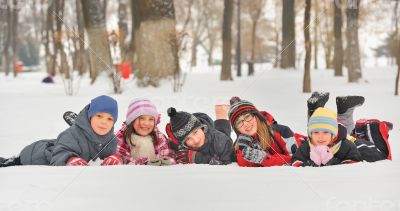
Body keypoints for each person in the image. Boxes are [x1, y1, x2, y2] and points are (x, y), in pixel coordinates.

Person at [0, 95, 121, 167]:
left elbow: (117, 154)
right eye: (99, 116)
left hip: (59, 145)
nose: (104, 122)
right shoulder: (72, 135)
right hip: (36, 155)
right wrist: (70, 159)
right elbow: (59, 153)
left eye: (109, 119)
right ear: (90, 117)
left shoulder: (111, 141)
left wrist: (117, 158)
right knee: (12, 162)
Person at [291, 92, 393, 167]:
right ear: (310, 135)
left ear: (333, 135)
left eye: (326, 132)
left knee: (381, 156)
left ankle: (367, 128)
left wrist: (335, 162)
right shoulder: (308, 145)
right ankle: (343, 111)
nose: (320, 136)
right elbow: (295, 160)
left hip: (360, 146)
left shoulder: (344, 145)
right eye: (316, 132)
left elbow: (354, 160)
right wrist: (307, 164)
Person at [228, 97, 301, 167]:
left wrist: (265, 159)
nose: (245, 124)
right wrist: (245, 152)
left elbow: (297, 160)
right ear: (237, 130)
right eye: (239, 122)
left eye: (247, 117)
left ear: (257, 116)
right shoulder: (239, 147)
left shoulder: (282, 132)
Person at [114, 98, 175, 165]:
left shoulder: (158, 135)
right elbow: (122, 158)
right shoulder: (122, 136)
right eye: (141, 118)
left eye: (151, 119)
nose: (146, 123)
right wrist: (144, 163)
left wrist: (165, 161)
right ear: (132, 120)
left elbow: (168, 154)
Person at [166, 105, 233, 165]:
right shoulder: (181, 146)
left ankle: (221, 113)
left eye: (195, 132)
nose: (195, 140)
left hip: (219, 140)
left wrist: (199, 159)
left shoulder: (223, 142)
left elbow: (226, 165)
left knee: (223, 132)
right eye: (188, 139)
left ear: (201, 128)